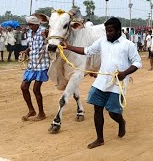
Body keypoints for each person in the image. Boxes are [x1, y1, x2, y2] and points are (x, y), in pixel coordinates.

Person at [60, 17, 142, 149]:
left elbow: (137, 63)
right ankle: (100, 139)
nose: (108, 34)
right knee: (97, 109)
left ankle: (121, 122)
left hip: (117, 84)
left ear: (118, 30)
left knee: (112, 112)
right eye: (106, 31)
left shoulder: (128, 45)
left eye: (110, 31)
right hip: (101, 82)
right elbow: (87, 51)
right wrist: (68, 47)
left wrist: (124, 73)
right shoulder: (102, 42)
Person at [20, 16, 50, 122]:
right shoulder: (29, 33)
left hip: (42, 64)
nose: (30, 26)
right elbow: (32, 45)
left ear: (37, 24)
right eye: (29, 24)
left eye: (32, 24)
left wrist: (47, 37)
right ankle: (31, 110)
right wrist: (26, 50)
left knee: (36, 89)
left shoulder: (44, 31)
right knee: (23, 87)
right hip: (32, 64)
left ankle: (41, 113)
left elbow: (51, 43)